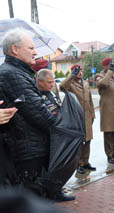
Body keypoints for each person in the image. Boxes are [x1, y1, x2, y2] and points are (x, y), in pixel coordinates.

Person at [0, 28, 56, 193]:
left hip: (28, 151)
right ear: (15, 49)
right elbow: (41, 115)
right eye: (30, 48)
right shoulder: (12, 75)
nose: (35, 52)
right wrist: (60, 124)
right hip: (27, 154)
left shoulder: (18, 73)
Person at [36, 69, 75, 202]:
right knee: (47, 168)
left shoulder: (51, 92)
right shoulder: (36, 95)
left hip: (58, 135)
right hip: (46, 137)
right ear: (39, 81)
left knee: (58, 167)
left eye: (53, 82)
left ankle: (56, 191)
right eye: (49, 82)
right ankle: (48, 194)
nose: (52, 85)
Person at [60, 64, 96, 174]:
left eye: (81, 70)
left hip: (87, 116)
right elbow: (62, 87)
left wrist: (92, 114)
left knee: (88, 140)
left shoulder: (85, 83)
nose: (80, 72)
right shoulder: (70, 84)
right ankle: (78, 164)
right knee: (80, 142)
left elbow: (89, 99)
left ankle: (86, 162)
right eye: (78, 71)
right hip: (77, 117)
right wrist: (72, 75)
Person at [95, 58, 114, 165]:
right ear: (105, 66)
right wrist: (109, 72)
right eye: (109, 64)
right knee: (108, 133)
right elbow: (103, 84)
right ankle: (109, 154)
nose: (111, 65)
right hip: (107, 109)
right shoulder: (99, 76)